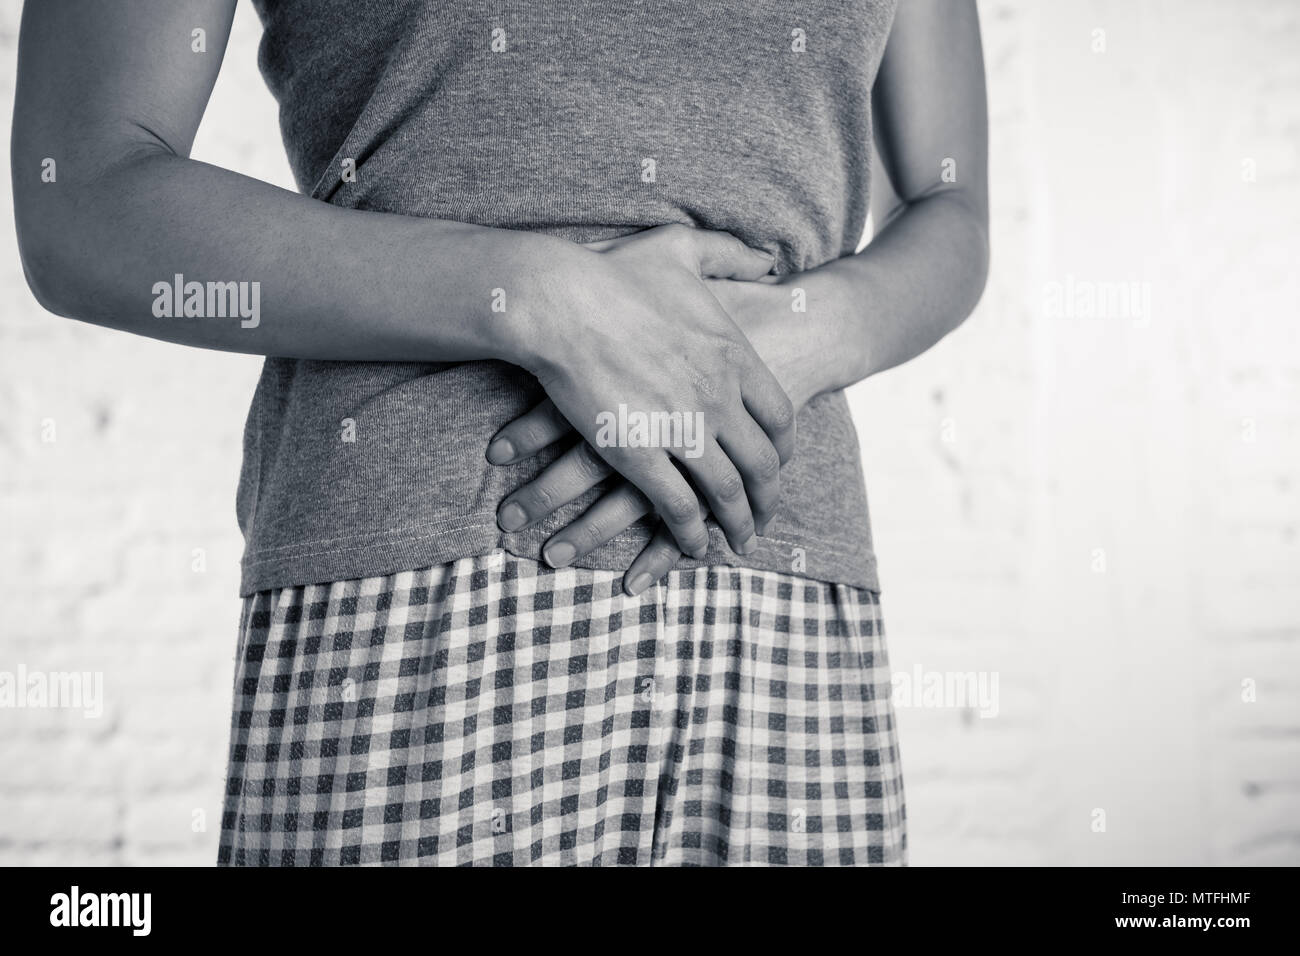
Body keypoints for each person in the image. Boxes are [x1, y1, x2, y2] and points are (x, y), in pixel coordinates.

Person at [12, 0, 988, 865]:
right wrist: (536, 299)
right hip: (414, 598)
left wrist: (784, 341)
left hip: (782, 581)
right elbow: (83, 195)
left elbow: (951, 207)